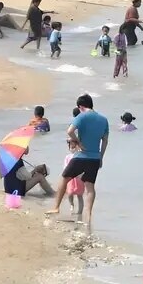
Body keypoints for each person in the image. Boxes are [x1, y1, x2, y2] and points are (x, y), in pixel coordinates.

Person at [46, 94, 108, 230]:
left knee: (64, 178)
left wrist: (78, 142)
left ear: (80, 107)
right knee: (90, 187)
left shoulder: (81, 116)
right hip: (95, 158)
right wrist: (101, 157)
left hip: (81, 156)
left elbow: (70, 131)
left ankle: (56, 207)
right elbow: (105, 141)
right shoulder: (104, 120)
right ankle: (88, 215)